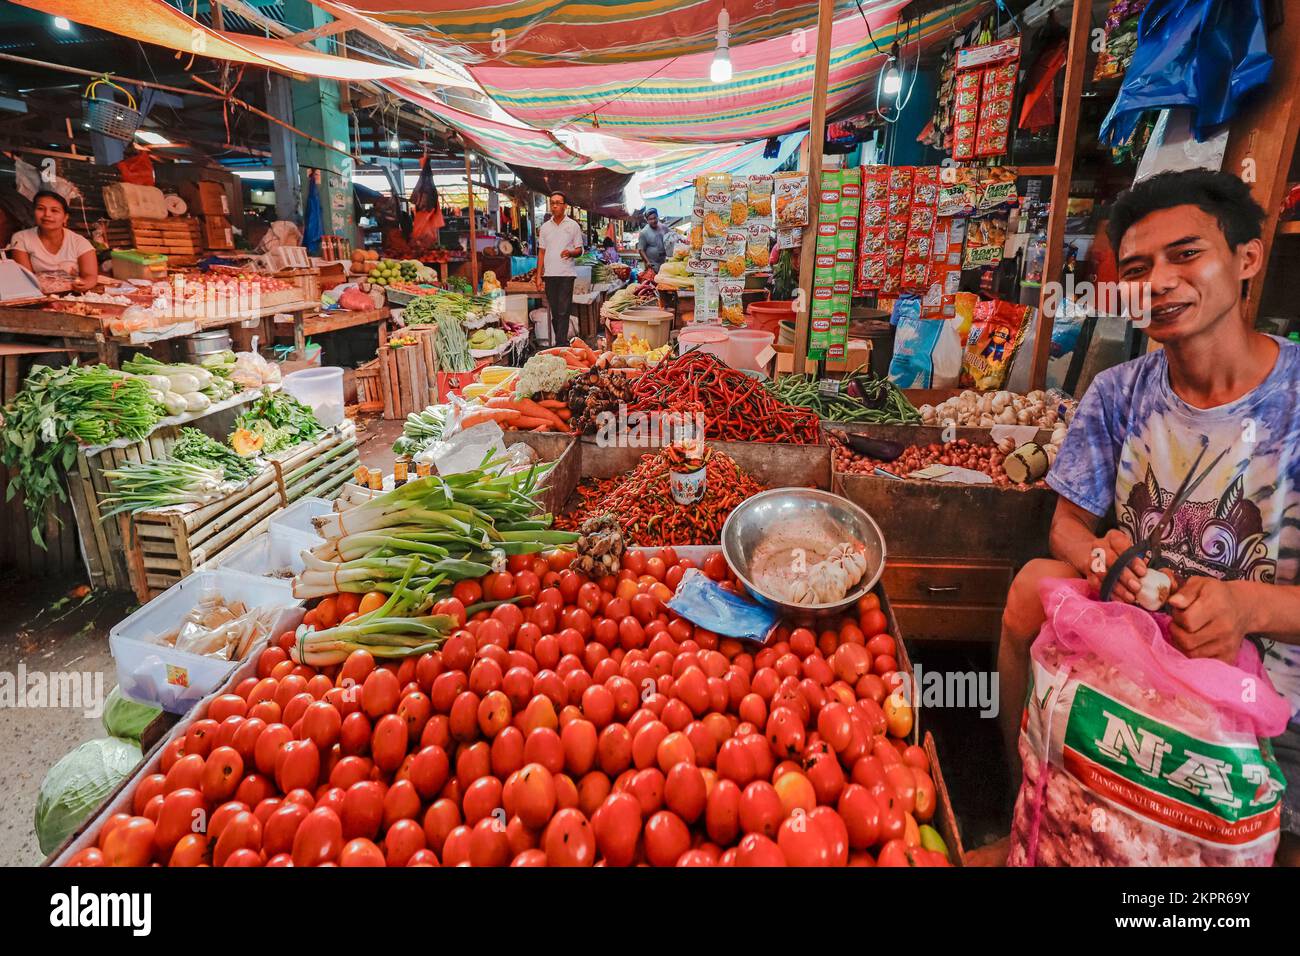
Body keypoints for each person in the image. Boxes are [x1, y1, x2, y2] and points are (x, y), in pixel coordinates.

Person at [996, 169, 1300, 864]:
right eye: (1137, 269)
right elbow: (1066, 527)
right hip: (1134, 638)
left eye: (1186, 255)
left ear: (1247, 258)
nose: (1159, 281)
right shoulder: (1117, 392)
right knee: (1028, 588)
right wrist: (1107, 558)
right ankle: (1027, 797)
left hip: (1265, 671)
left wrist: (1245, 607)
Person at [8, 190, 97, 292]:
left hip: (71, 295)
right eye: (40, 209)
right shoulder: (21, 238)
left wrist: (84, 285)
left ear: (65, 217)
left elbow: (90, 276)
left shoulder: (80, 242)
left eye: (54, 210)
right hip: (36, 294)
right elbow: (27, 278)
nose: (47, 214)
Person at [536, 191, 584, 341]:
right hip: (550, 275)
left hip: (566, 274)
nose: (554, 206)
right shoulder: (544, 227)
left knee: (564, 311)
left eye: (558, 203)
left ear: (565, 206)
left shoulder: (573, 226)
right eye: (552, 203)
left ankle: (560, 344)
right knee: (556, 312)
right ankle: (561, 341)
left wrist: (571, 252)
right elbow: (541, 253)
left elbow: (580, 250)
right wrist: (538, 276)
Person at [636, 207, 671, 272]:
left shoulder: (664, 227)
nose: (653, 221)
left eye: (655, 218)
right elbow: (641, 250)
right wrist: (647, 262)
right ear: (647, 220)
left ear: (657, 217)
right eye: (650, 219)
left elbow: (671, 238)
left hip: (665, 262)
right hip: (653, 264)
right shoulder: (644, 232)